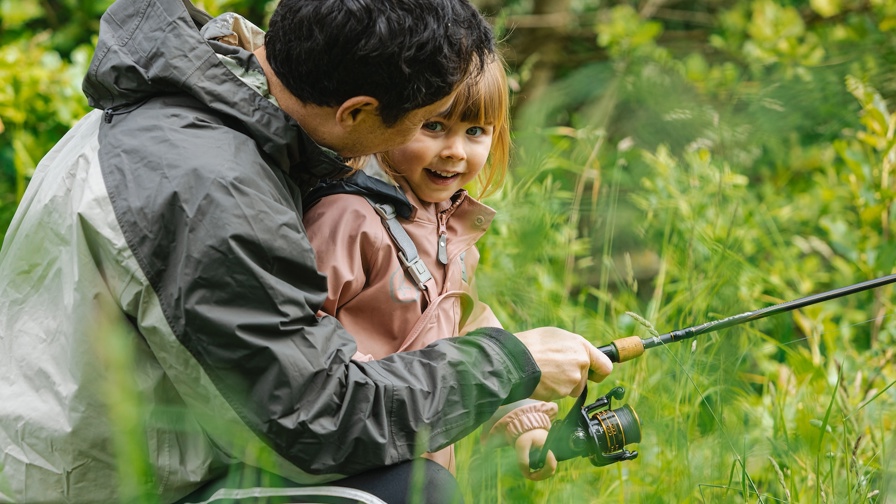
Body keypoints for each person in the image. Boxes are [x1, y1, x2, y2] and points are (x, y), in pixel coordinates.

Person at [0, 0, 613, 503]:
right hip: (103, 489)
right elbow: (316, 419)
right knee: (412, 493)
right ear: (358, 111)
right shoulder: (210, 188)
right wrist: (507, 363)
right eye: (426, 122)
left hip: (175, 451)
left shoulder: (221, 101)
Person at [303, 54, 560, 482]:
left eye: (475, 131)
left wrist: (518, 413)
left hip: (417, 467)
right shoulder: (346, 218)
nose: (455, 151)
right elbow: (302, 334)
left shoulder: (451, 233)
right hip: (350, 467)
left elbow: (469, 333)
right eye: (434, 126)